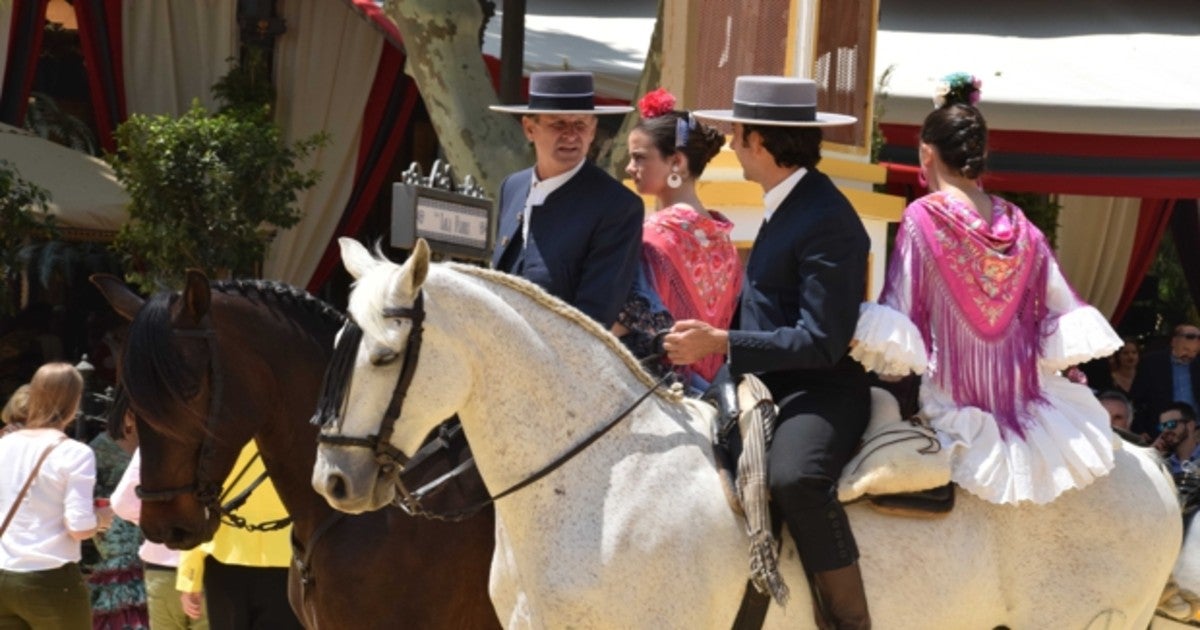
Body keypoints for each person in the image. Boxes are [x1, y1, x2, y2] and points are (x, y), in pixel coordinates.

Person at [851, 72, 1122, 506]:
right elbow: (1060, 307)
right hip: (1030, 406)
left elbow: (899, 321)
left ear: (926, 152)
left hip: (954, 401)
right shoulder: (1019, 222)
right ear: (980, 156)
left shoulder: (924, 217)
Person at [667, 75, 871, 628]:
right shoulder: (789, 202)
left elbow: (821, 342)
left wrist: (722, 343)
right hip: (765, 383)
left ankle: (850, 620)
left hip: (822, 390)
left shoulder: (828, 219)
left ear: (759, 141)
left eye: (737, 133)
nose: (731, 143)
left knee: (795, 479)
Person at [489, 71, 645, 327]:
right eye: (558, 124)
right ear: (530, 128)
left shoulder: (617, 206)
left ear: (593, 130)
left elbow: (594, 317)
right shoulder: (512, 187)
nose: (571, 135)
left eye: (580, 125)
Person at [616, 87, 741, 385]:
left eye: (639, 157)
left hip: (655, 392)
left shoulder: (650, 237)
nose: (630, 167)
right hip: (712, 395)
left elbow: (621, 325)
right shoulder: (728, 244)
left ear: (677, 163)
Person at [0, 362, 113, 629]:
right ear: (75, 402)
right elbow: (79, 527)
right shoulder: (74, 453)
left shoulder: (3, 444)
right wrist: (102, 519)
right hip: (50, 580)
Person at [175, 442, 301, 629]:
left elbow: (195, 504)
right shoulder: (296, 425)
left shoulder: (216, 430)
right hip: (284, 559)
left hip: (227, 560)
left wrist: (189, 576)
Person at [112, 447, 209, 630]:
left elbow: (122, 504)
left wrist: (159, 525)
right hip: (213, 568)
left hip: (162, 565)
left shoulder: (153, 443)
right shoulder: (225, 440)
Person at [86, 406, 149, 629]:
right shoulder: (100, 448)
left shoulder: (156, 445)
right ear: (128, 417)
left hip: (150, 535)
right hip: (115, 536)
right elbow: (87, 496)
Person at [1131, 323, 1200, 438]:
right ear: (1173, 342)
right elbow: (1137, 400)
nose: (1190, 355)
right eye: (1186, 349)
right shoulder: (1152, 363)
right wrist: (1140, 429)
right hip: (1161, 428)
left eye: (1195, 351)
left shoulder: (1197, 365)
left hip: (1194, 430)